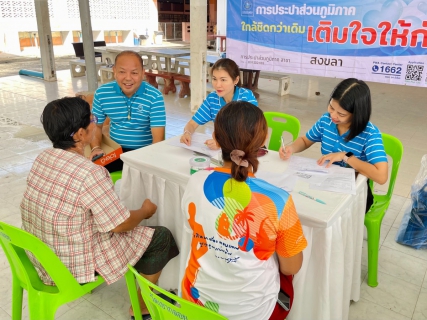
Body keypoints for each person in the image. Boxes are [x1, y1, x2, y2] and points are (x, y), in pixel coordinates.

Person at [20, 97, 179, 319]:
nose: (95, 123)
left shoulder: (42, 158)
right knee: (161, 237)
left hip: (40, 256)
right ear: (79, 134)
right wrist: (145, 211)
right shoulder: (90, 172)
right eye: (91, 120)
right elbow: (120, 225)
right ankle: (141, 306)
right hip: (69, 265)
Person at [181, 101, 307, 320]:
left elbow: (193, 229)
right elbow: (290, 267)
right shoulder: (279, 200)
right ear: (263, 141)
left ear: (216, 138)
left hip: (194, 302)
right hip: (252, 313)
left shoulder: (196, 180)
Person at [279, 78, 388, 211]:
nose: (333, 115)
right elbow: (305, 140)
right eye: (331, 107)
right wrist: (291, 148)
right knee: (295, 204)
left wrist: (345, 156)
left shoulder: (370, 134)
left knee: (324, 214)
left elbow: (381, 177)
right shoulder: (326, 121)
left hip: (354, 192)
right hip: (324, 182)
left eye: (341, 114)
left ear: (357, 114)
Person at [90, 50, 166, 173]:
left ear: (143, 73)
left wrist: (152, 160)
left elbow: (158, 138)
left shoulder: (154, 96)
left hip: (143, 152)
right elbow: (95, 127)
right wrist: (96, 148)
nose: (128, 78)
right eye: (122, 72)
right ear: (114, 71)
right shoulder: (102, 93)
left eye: (134, 73)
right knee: (92, 171)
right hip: (115, 152)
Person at [180, 58, 258, 149]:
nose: (217, 85)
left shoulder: (246, 97)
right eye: (214, 79)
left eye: (223, 80)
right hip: (223, 154)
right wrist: (187, 133)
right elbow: (192, 124)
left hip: (246, 150)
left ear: (236, 80)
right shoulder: (212, 99)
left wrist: (222, 143)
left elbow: (253, 132)